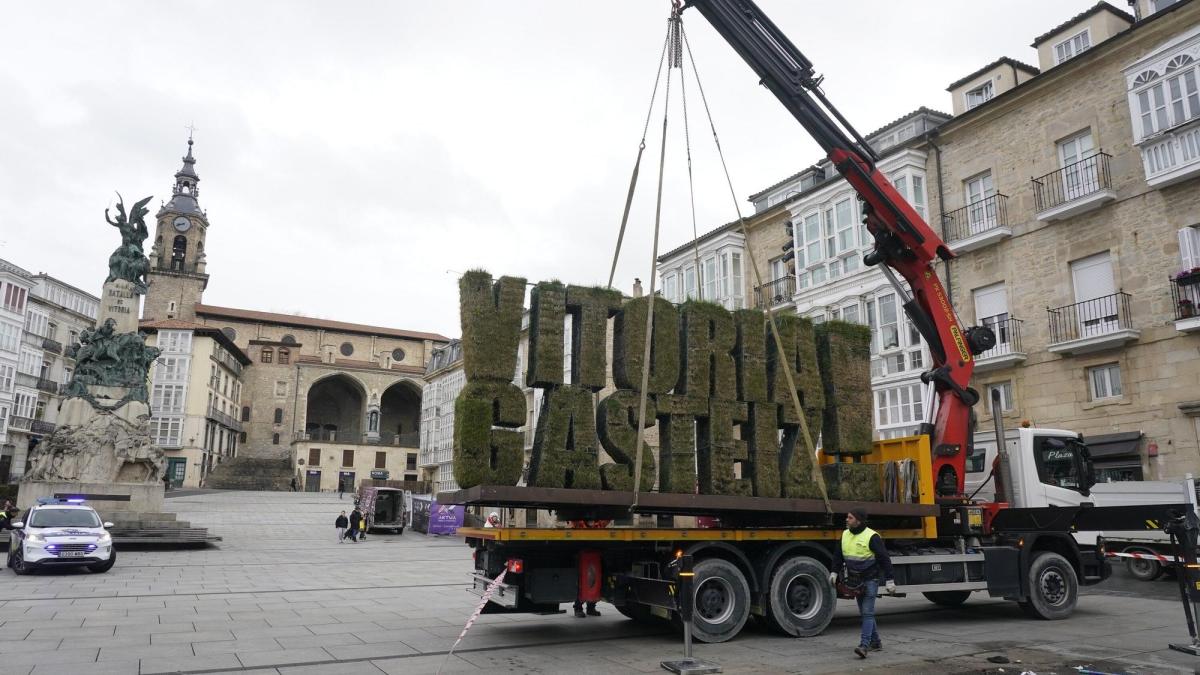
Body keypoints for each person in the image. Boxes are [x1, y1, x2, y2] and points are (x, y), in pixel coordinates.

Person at [829, 507, 895, 659]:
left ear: (858, 521)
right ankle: (876, 642)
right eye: (847, 517)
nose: (847, 519)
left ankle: (864, 646)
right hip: (855, 581)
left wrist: (890, 580)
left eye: (850, 518)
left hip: (870, 580)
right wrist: (833, 571)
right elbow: (838, 556)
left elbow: (884, 559)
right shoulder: (845, 534)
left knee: (867, 612)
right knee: (866, 613)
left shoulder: (872, 537)